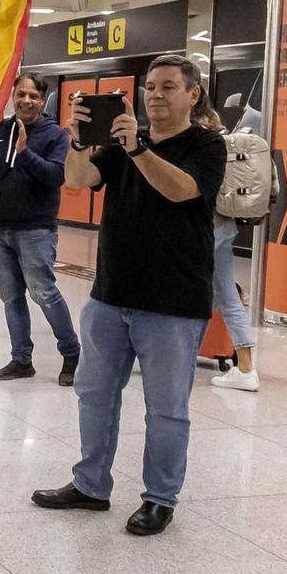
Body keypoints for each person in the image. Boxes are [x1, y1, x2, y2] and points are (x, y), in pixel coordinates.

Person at [34, 55, 226, 537]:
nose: (156, 95)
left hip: (173, 302)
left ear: (193, 94)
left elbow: (182, 191)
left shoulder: (205, 145)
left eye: (168, 87)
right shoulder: (121, 145)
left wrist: (137, 147)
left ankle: (160, 498)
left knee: (166, 408)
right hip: (110, 294)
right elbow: (78, 180)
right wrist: (79, 142)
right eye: (150, 88)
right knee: (94, 394)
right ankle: (91, 485)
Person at [0, 74, 81, 386]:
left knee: (44, 293)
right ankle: (21, 359)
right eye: (21, 94)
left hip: (35, 229)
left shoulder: (55, 135)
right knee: (10, 296)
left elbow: (55, 176)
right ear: (13, 96)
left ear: (42, 100)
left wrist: (25, 153)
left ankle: (71, 352)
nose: (26, 101)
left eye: (34, 96)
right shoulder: (0, 129)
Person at [209, 128, 265, 392]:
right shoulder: (219, 131)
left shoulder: (193, 134)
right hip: (225, 224)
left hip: (203, 229)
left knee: (183, 291)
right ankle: (245, 367)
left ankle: (171, 356)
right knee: (228, 296)